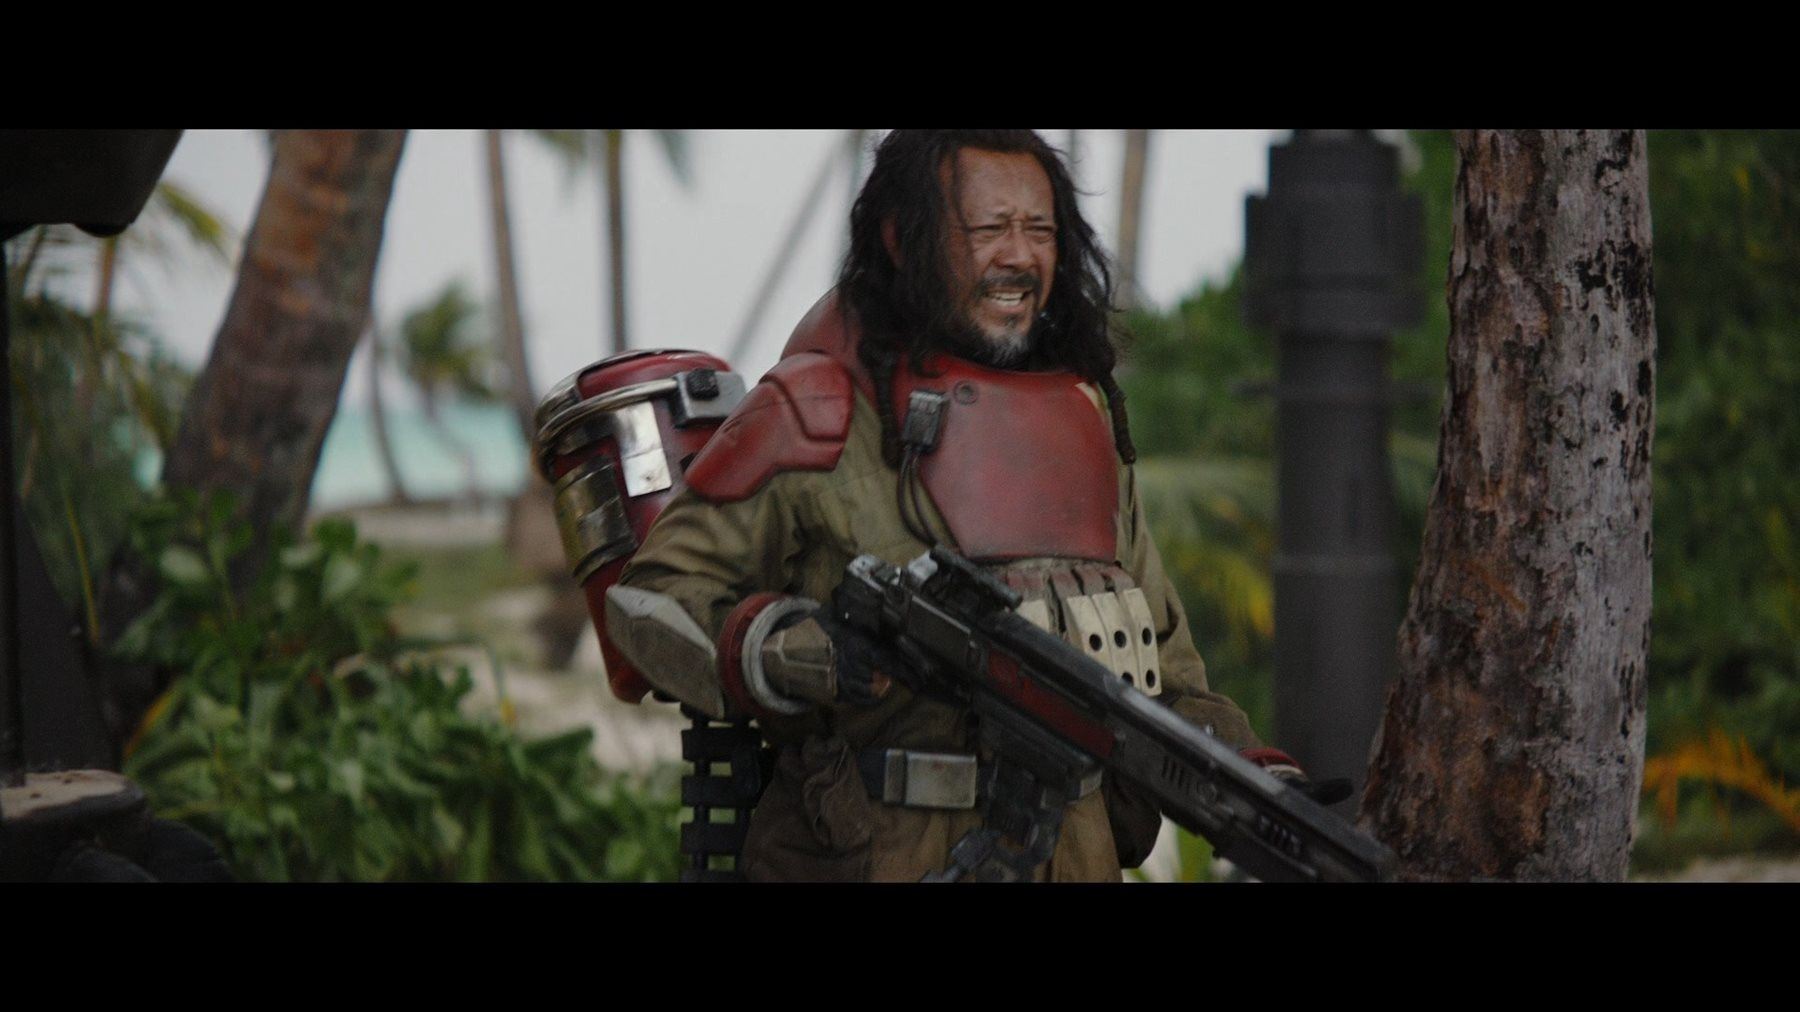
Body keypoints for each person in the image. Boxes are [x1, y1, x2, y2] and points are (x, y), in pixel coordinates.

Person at [609, 129, 1308, 882]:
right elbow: (648, 600)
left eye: (1040, 230)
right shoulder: (815, 411)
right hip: (873, 851)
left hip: (1074, 854)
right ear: (902, 241)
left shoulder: (1082, 424)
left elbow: (1162, 674)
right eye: (988, 229)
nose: (1020, 256)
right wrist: (787, 648)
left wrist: (1261, 783)